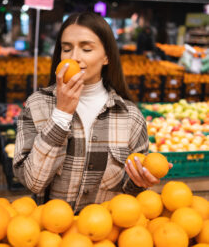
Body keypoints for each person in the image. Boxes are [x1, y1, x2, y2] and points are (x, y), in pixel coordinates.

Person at [13, 12, 171, 213]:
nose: (74, 57)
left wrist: (140, 182)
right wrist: (61, 114)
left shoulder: (130, 116)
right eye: (66, 49)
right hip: (51, 235)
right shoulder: (37, 105)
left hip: (103, 236)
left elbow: (128, 199)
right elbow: (32, 182)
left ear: (106, 57)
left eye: (86, 49)